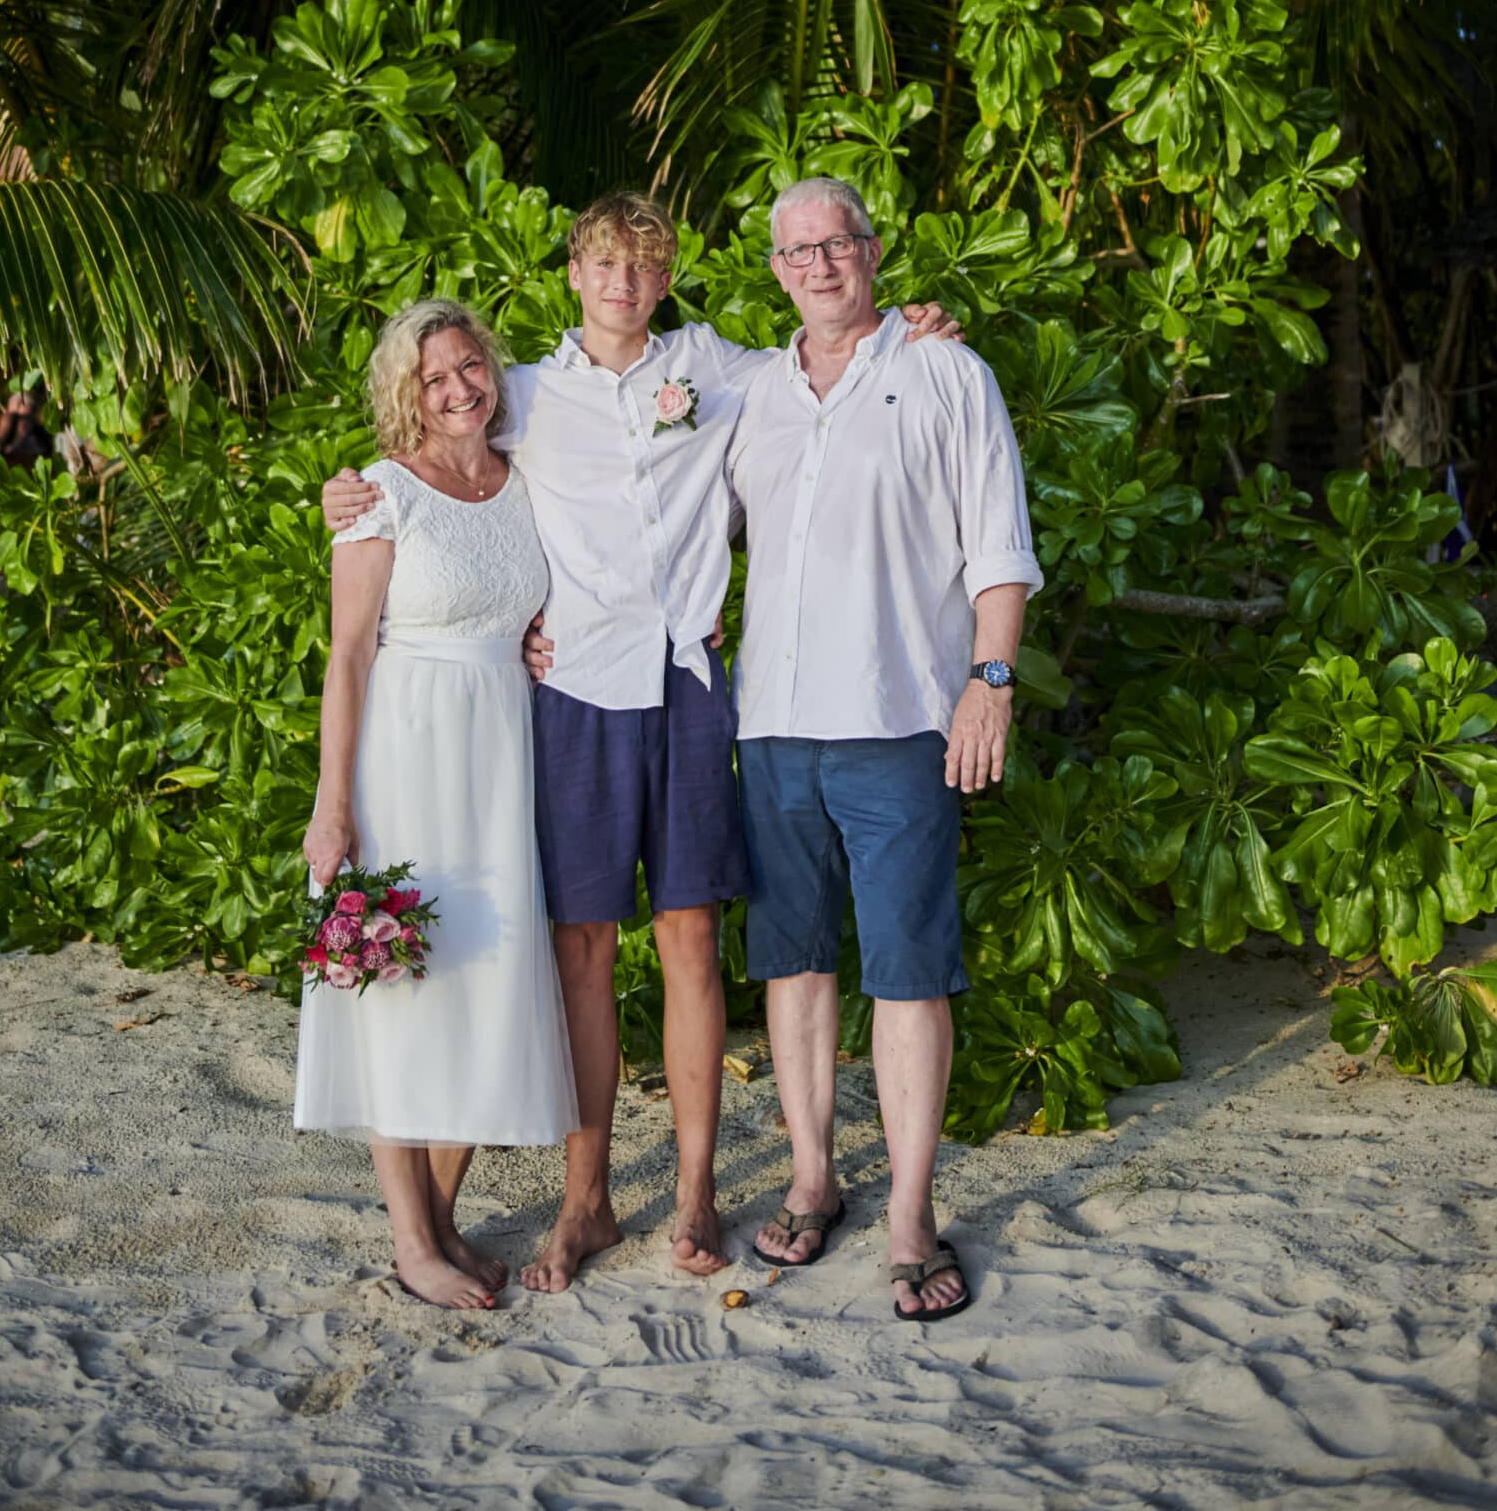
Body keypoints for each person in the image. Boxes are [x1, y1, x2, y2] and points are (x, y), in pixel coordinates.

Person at [321, 192, 960, 1293]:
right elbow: (435, 455)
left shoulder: (721, 365)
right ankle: (589, 1200)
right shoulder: (518, 393)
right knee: (581, 952)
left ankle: (701, 1190)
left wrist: (917, 328)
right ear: (573, 271)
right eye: (605, 261)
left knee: (690, 941)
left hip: (692, 686)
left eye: (647, 262)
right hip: (573, 690)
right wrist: (351, 488)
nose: (624, 279)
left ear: (667, 278)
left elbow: (831, 358)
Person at [729, 176, 1042, 1323]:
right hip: (769, 726)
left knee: (909, 970)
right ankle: (816, 1177)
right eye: (796, 249)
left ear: (873, 249)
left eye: (837, 242)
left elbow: (998, 544)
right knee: (796, 963)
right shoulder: (747, 389)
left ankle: (910, 1213)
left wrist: (989, 681)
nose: (818, 263)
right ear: (774, 269)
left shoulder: (946, 369)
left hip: (903, 721)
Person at [295, 298, 577, 1311]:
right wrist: (334, 807)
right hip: (405, 755)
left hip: (500, 752)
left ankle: (445, 1217)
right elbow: (348, 653)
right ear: (402, 393)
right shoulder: (377, 493)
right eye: (434, 377)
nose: (458, 387)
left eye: (470, 366)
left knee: (486, 982)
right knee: (402, 987)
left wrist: (540, 643)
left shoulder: (519, 478)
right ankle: (412, 1241)